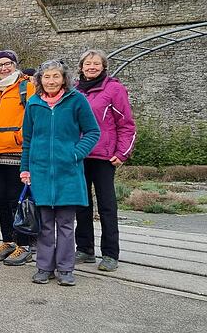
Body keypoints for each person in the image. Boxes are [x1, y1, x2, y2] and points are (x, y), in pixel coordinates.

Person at [20, 60, 100, 286]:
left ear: (64, 78)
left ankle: (65, 269)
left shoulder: (77, 101)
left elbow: (93, 132)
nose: (51, 81)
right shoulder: (34, 103)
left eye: (56, 76)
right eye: (46, 77)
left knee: (65, 223)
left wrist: (76, 154)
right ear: (40, 80)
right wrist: (25, 168)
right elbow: (28, 140)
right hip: (41, 172)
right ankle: (44, 267)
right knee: (45, 223)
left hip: (68, 172)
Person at [74, 50, 136, 272]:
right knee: (81, 204)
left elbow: (126, 123)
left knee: (107, 206)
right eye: (88, 63)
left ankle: (110, 253)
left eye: (96, 63)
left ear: (103, 66)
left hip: (104, 156)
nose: (92, 67)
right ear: (81, 67)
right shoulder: (74, 91)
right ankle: (84, 248)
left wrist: (122, 153)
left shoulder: (114, 89)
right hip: (80, 155)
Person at [0, 50, 36, 266]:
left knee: (18, 200)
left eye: (8, 63)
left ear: (15, 64)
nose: (4, 68)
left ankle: (24, 243)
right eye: (0, 64)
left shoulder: (26, 87)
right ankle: (8, 240)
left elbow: (33, 116)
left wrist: (19, 137)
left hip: (16, 151)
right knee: (2, 199)